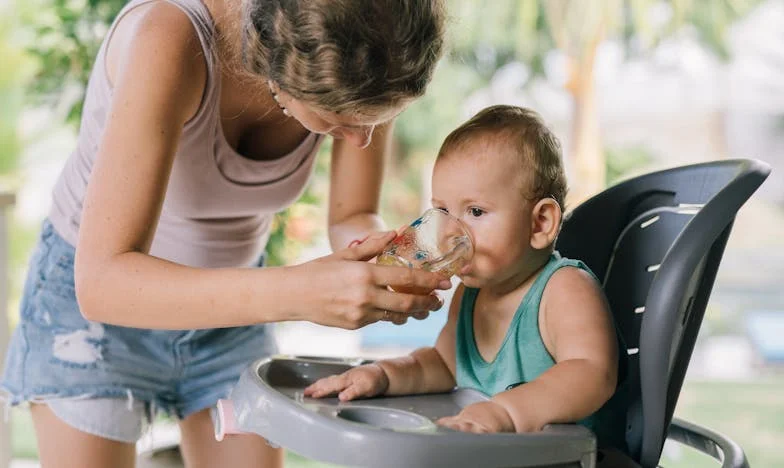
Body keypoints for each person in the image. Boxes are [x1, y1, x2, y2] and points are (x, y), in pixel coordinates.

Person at [0, 0, 448, 466]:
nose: (361, 140)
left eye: (375, 119)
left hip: (230, 316)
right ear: (281, 61)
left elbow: (352, 213)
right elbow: (101, 283)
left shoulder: (374, 51)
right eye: (342, 119)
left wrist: (380, 260)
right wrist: (301, 291)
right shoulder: (170, 38)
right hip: (95, 318)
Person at [304, 105, 629, 452]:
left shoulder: (564, 289)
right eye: (442, 211)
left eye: (475, 211)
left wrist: (505, 413)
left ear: (540, 223)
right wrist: (383, 375)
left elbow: (593, 373)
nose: (449, 231)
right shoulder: (471, 296)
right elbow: (443, 365)